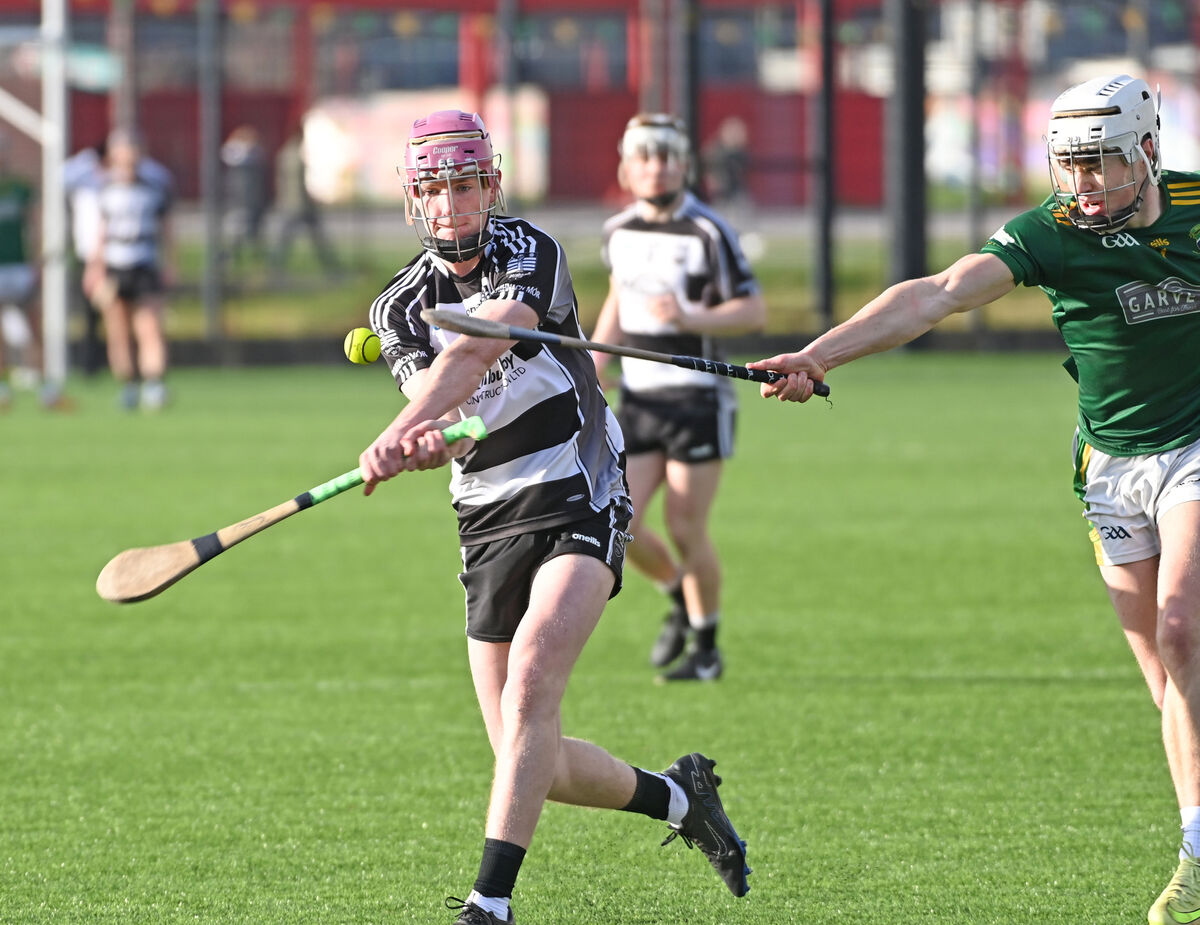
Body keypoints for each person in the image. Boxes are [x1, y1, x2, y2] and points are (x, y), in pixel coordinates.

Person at [745, 73, 1200, 925]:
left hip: (1195, 452)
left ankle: (1197, 862)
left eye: (1100, 163)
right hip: (1109, 465)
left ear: (1147, 149)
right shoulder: (1052, 233)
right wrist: (818, 355)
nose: (1084, 184)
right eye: (1069, 166)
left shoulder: (1198, 207)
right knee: (1167, 677)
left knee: (1181, 629)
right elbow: (938, 294)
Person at [357, 109, 750, 925]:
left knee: (534, 679)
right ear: (413, 198)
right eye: (435, 189)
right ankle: (681, 798)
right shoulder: (395, 308)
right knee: (522, 754)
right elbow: (449, 413)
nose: (451, 204)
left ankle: (488, 903)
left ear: (490, 185)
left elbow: (479, 347)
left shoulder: (528, 252)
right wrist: (422, 440)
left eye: (465, 184)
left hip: (579, 482)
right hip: (486, 516)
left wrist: (398, 431)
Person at [590, 113, 766, 682]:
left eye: (666, 156)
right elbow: (619, 297)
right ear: (627, 167)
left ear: (684, 165)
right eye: (645, 156)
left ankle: (707, 646)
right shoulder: (618, 230)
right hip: (640, 399)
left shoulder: (708, 232)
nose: (656, 167)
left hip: (697, 400)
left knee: (686, 525)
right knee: (623, 521)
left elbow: (753, 310)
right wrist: (598, 360)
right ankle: (676, 596)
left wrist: (693, 315)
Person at [88, 128, 175, 411]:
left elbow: (167, 229)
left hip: (144, 261)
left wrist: (171, 263)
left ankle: (154, 384)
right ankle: (127, 385)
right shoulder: (105, 189)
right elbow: (100, 232)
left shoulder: (153, 187)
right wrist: (95, 267)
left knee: (149, 326)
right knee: (118, 329)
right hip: (115, 264)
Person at [0, 129, 67, 410]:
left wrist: (38, 260)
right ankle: (3, 389)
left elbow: (35, 226)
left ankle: (47, 390)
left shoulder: (20, 187)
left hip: (19, 267)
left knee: (34, 329)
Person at [271, 126, 340, 277]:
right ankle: (332, 269)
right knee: (316, 240)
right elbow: (298, 185)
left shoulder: (285, 154)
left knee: (286, 240)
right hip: (299, 206)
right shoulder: (295, 156)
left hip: (290, 204)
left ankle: (275, 269)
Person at [220, 125, 270, 266]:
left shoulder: (256, 155)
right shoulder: (236, 156)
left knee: (255, 233)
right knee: (236, 233)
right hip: (238, 202)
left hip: (253, 202)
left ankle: (258, 260)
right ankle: (229, 258)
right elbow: (233, 156)